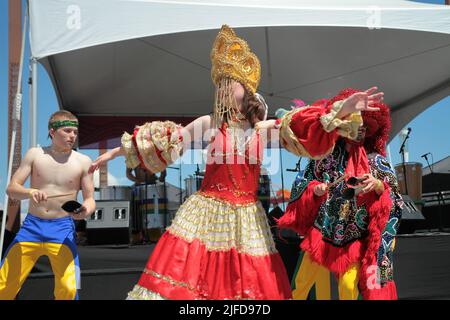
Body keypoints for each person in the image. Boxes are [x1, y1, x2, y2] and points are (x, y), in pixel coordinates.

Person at [90, 25, 381, 300]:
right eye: (220, 85)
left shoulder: (262, 130)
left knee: (244, 287)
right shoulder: (210, 124)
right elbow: (165, 142)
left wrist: (343, 109)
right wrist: (116, 152)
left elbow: (304, 127)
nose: (223, 89)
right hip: (207, 212)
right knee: (191, 280)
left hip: (247, 218)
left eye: (229, 83)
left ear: (246, 89)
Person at [276, 88, 403, 300]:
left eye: (366, 127)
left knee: (348, 289)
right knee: (301, 284)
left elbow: (396, 199)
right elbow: (302, 182)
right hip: (322, 233)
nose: (360, 130)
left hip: (354, 239)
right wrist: (314, 189)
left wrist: (378, 185)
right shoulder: (326, 155)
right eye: (357, 124)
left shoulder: (377, 161)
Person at [0, 110, 95, 300]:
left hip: (62, 228)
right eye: (67, 131)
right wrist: (30, 192)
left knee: (68, 289)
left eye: (75, 132)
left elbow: (90, 199)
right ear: (52, 131)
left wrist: (85, 211)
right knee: (4, 287)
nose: (72, 136)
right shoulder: (35, 154)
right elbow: (11, 189)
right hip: (32, 227)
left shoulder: (83, 161)